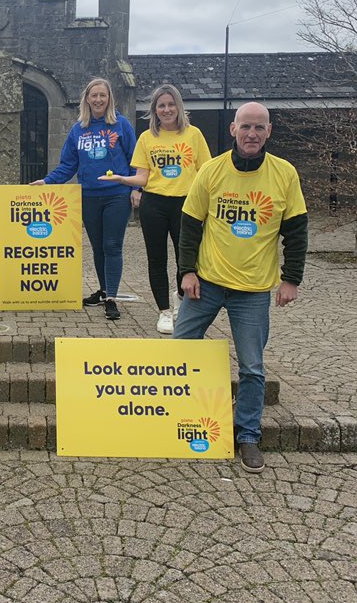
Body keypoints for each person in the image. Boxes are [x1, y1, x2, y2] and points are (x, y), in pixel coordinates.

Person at [173, 101, 308, 474]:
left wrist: (291, 278)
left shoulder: (284, 174)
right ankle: (175, 419)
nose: (252, 134)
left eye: (259, 128)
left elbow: (296, 232)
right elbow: (190, 224)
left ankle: (247, 435)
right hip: (207, 283)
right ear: (233, 129)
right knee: (179, 352)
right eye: (246, 126)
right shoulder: (212, 171)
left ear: (269, 132)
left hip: (252, 291)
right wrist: (187, 272)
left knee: (252, 368)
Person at [99, 84, 211, 334]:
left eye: (171, 104)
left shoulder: (194, 135)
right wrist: (122, 180)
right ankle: (164, 312)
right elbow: (142, 177)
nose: (167, 109)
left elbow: (206, 174)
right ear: (155, 110)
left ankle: (182, 303)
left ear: (179, 107)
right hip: (154, 205)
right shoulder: (147, 138)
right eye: (162, 105)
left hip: (186, 206)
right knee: (156, 259)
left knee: (187, 259)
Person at [33, 77, 136, 320]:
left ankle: (112, 297)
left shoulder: (121, 125)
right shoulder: (78, 130)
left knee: (112, 246)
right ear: (87, 100)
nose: (98, 99)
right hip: (89, 196)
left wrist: (136, 189)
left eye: (103, 95)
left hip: (116, 196)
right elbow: (68, 165)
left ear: (109, 98)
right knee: (98, 247)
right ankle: (103, 290)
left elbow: (136, 161)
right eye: (94, 96)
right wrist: (47, 181)